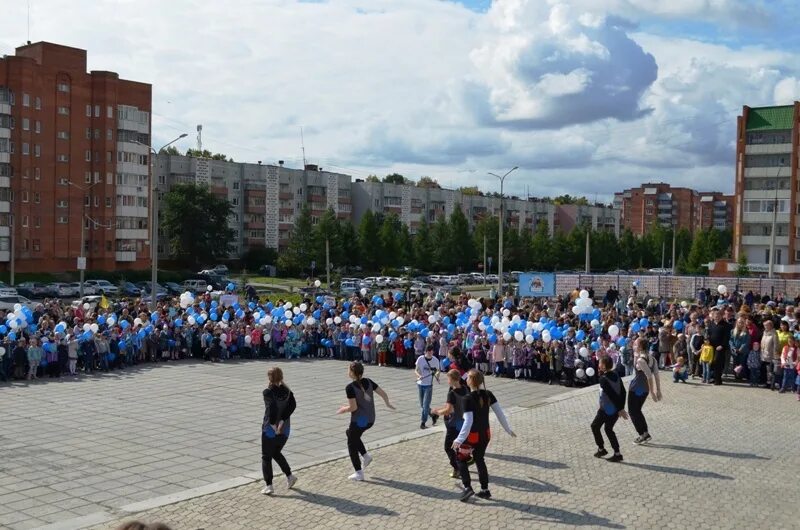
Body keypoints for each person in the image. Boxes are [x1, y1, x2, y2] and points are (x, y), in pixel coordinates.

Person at [452, 369, 516, 502]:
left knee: (460, 459)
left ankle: (467, 487)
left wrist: (459, 439)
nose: (466, 379)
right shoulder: (488, 394)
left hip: (472, 436)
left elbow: (468, 422)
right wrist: (508, 430)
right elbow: (500, 414)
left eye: (468, 377)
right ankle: (485, 490)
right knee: (479, 459)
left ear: (472, 381)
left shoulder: (467, 398)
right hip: (485, 435)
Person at [337, 362, 395, 481]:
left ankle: (359, 472)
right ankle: (366, 456)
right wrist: (387, 403)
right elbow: (383, 393)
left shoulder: (350, 387)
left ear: (352, 373)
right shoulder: (369, 381)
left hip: (359, 421)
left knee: (351, 443)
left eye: (348, 370)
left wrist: (344, 409)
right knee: (350, 434)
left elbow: (353, 408)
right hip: (370, 419)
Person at [260, 366, 298, 495]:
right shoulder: (287, 391)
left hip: (270, 429)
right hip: (285, 429)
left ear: (269, 377)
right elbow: (293, 405)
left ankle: (269, 485)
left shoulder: (268, 391)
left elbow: (272, 409)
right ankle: (290, 476)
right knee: (276, 453)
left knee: (266, 457)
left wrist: (273, 425)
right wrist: (282, 420)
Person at [432, 369, 470, 478]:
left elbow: (448, 410)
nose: (447, 381)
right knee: (460, 446)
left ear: (453, 380)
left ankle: (457, 468)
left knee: (448, 447)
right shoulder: (466, 389)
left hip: (453, 424)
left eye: (448, 379)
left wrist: (437, 412)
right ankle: (464, 463)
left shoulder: (452, 394)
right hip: (464, 423)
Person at [591, 356, 628, 462]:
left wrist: (621, 409)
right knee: (608, 429)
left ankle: (601, 449)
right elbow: (623, 392)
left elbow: (612, 394)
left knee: (594, 426)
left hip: (607, 409)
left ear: (603, 365)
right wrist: (621, 407)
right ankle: (617, 453)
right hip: (615, 409)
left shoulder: (603, 379)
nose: (598, 364)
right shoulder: (616, 374)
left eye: (600, 363)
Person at [627, 338, 660, 445]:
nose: (634, 345)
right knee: (638, 410)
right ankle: (645, 433)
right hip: (644, 390)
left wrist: (653, 392)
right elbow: (656, 375)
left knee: (632, 412)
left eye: (636, 344)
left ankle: (642, 434)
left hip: (636, 388)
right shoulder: (652, 358)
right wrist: (658, 390)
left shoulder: (641, 360)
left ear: (640, 346)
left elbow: (649, 376)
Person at [415, 345, 440, 429]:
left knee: (425, 405)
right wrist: (419, 375)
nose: (429, 353)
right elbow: (416, 370)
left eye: (431, 351)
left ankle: (423, 422)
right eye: (428, 351)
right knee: (422, 405)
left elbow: (437, 371)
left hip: (428, 385)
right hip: (420, 384)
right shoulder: (420, 359)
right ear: (425, 352)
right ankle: (433, 415)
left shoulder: (435, 360)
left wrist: (437, 376)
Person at [707, 308, 732, 386]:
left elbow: (727, 337)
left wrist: (722, 345)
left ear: (722, 316)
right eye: (715, 315)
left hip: (720, 347)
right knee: (711, 363)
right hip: (711, 347)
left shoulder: (726, 325)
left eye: (718, 315)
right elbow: (709, 334)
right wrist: (707, 341)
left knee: (718, 362)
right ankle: (712, 378)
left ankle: (718, 380)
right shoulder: (711, 324)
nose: (717, 316)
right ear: (713, 316)